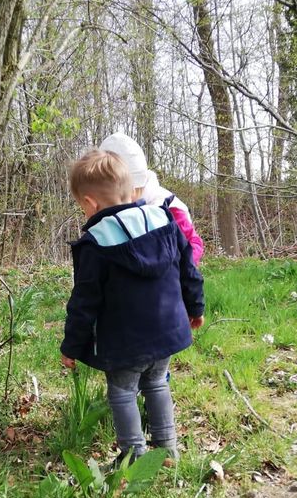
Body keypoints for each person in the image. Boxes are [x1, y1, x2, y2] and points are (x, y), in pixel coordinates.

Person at [60, 149, 205, 464]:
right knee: (156, 383)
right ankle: (167, 449)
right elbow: (188, 269)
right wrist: (196, 307)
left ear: (89, 203)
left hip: (125, 343)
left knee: (123, 392)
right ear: (131, 190)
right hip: (167, 332)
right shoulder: (163, 219)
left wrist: (72, 346)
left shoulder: (95, 243)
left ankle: (133, 456)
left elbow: (84, 302)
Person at [99, 132, 204, 266]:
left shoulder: (168, 207)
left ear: (132, 188)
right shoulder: (115, 209)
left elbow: (193, 243)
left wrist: (178, 267)